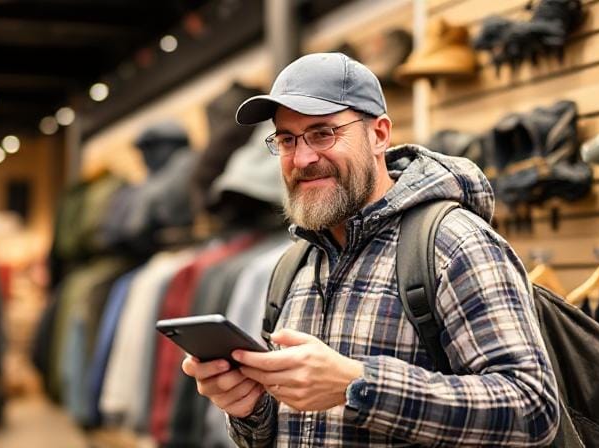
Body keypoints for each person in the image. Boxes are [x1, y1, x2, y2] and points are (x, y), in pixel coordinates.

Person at [182, 52, 560, 446]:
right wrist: (249, 410)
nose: (303, 158)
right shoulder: (293, 266)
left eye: (323, 133)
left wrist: (359, 384)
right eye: (287, 139)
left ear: (379, 135)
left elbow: (532, 409)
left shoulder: (453, 244)